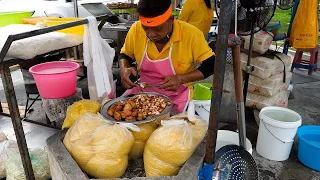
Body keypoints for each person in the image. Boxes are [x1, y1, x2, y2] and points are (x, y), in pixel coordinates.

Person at [119, 0, 215, 113]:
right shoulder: (136, 29)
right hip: (143, 92)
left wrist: (181, 79)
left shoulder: (191, 34)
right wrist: (124, 69)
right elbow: (125, 54)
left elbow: (211, 64)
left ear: (170, 19)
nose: (151, 34)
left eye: (157, 29)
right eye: (145, 28)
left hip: (177, 96)